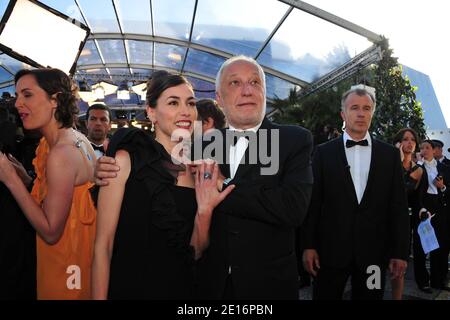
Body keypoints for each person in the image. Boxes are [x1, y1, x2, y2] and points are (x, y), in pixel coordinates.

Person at [95, 56, 314, 299]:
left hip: (267, 288)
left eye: (254, 82)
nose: (246, 91)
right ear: (219, 98)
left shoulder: (294, 139)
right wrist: (100, 169)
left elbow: (294, 209)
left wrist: (222, 185)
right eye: (235, 83)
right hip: (207, 287)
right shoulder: (200, 147)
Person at [91, 70, 234, 300]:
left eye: (190, 103)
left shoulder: (201, 171)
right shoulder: (124, 162)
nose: (185, 111)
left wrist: (205, 212)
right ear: (151, 112)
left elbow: (196, 252)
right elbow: (102, 247)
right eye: (173, 102)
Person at [302, 86, 410, 300]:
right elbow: (313, 203)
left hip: (374, 255)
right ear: (343, 114)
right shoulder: (324, 153)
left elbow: (398, 206)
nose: (361, 113)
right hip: (330, 254)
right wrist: (308, 245)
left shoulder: (389, 155)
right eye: (354, 108)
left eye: (366, 108)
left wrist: (400, 252)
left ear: (372, 113)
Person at [0, 68, 97, 300]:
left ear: (55, 100)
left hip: (66, 271)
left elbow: (51, 231)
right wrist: (27, 179)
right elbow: (62, 196)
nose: (17, 104)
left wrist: (10, 179)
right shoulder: (75, 139)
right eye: (17, 96)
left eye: (28, 95)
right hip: (75, 264)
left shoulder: (61, 153)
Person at [392, 128, 426, 298]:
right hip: (381, 221)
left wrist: (422, 209)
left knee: (398, 269)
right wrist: (396, 161)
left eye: (412, 139)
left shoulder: (419, 170)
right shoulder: (388, 164)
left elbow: (412, 197)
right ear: (398, 143)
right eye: (405, 139)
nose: (409, 142)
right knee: (374, 266)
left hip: (403, 224)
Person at [416, 140, 450, 291]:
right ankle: (422, 281)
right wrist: (421, 208)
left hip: (441, 209)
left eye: (427, 148)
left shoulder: (444, 168)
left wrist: (442, 187)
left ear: (434, 150)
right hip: (423, 209)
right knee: (421, 247)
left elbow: (448, 192)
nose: (424, 150)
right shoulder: (417, 168)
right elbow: (414, 193)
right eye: (421, 148)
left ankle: (438, 281)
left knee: (441, 247)